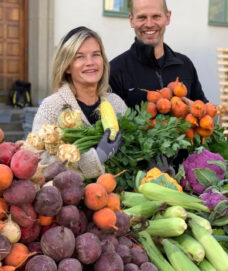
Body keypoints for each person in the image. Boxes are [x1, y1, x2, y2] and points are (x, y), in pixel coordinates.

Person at [32, 26, 127, 179]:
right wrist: (96, 157)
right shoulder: (52, 107)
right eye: (79, 57)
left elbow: (132, 149)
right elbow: (38, 162)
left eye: (96, 54)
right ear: (67, 67)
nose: (90, 62)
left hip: (115, 198)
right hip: (70, 200)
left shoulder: (116, 104)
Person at [109, 0, 208, 109]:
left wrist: (197, 111)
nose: (149, 24)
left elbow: (205, 112)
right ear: (131, 20)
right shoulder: (114, 71)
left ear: (168, 17)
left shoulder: (185, 65)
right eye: (142, 17)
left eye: (156, 16)